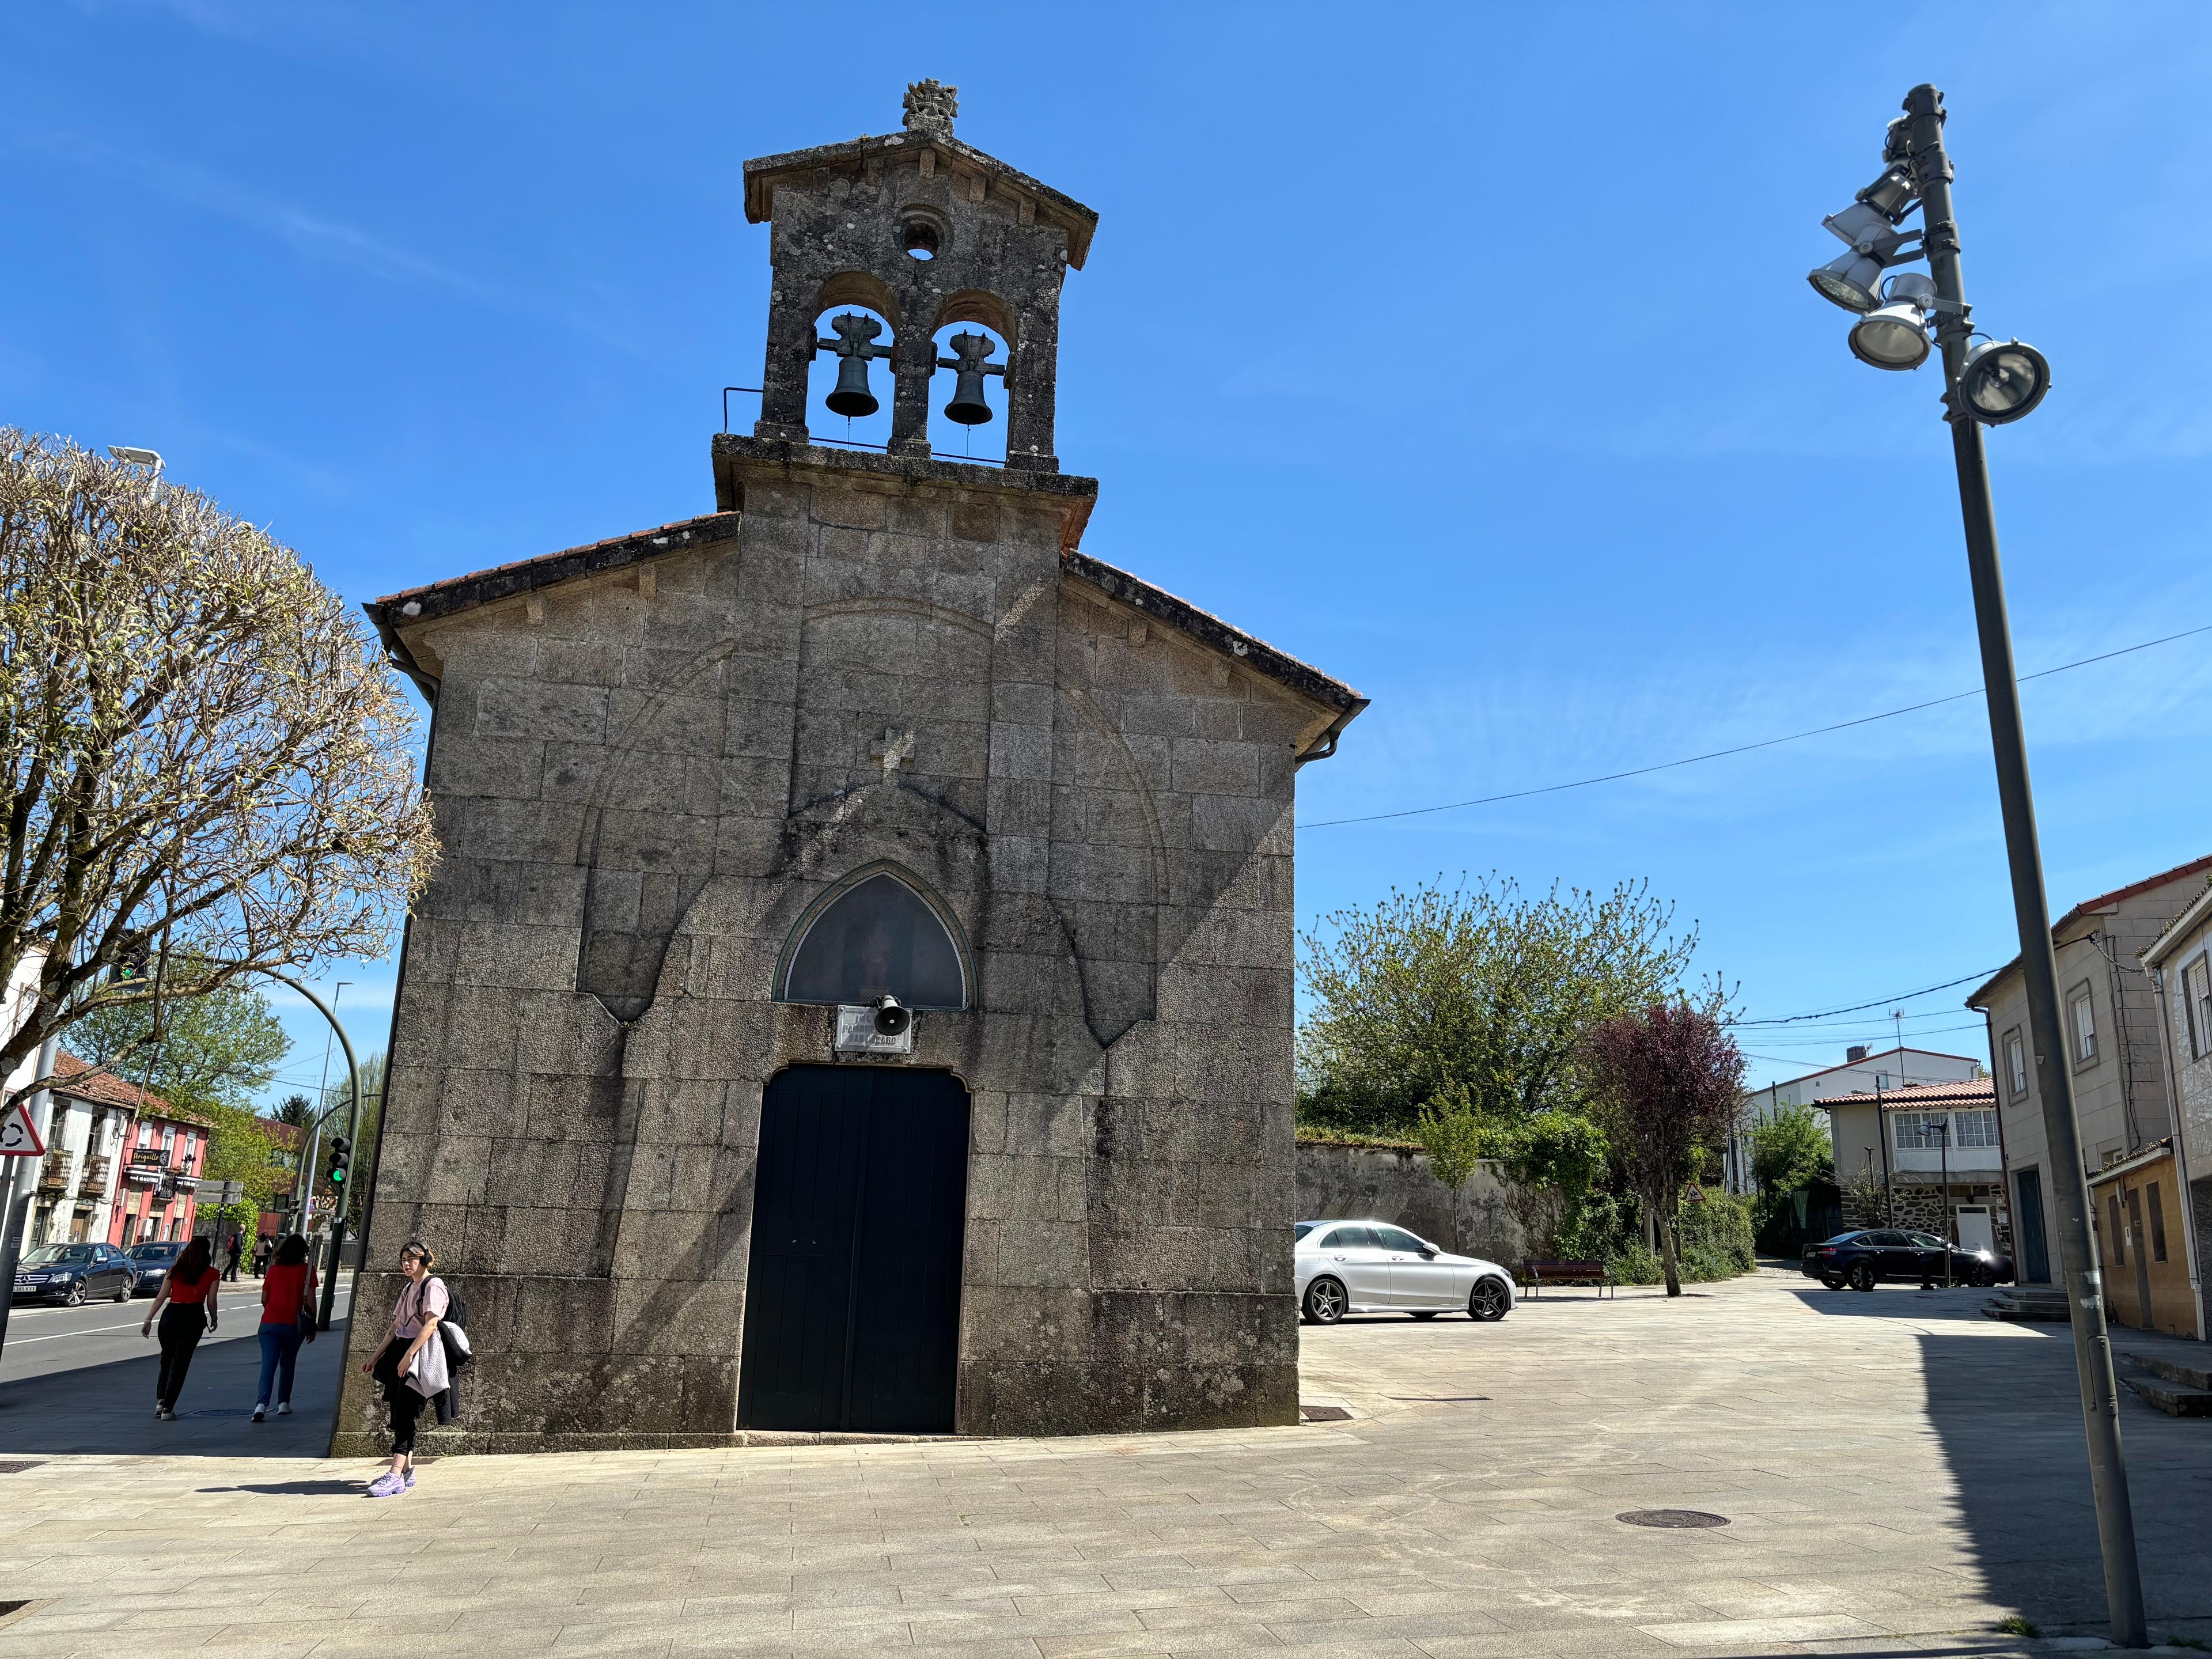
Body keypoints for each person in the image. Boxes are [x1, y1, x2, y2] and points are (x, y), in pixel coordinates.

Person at [360, 1239, 449, 1498]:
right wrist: (376, 1356)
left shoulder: (434, 1286)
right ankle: (406, 1471)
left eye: (411, 1259)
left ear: (423, 1260)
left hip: (420, 1355)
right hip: (401, 1352)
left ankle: (395, 1473)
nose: (406, 1265)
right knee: (399, 1410)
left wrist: (410, 1355)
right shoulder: (409, 1288)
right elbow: (395, 1327)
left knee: (407, 1411)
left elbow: (431, 1325)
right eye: (403, 1261)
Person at [140, 1236, 220, 1419]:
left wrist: (149, 1320)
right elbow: (212, 1301)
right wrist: (214, 1319)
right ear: (207, 1252)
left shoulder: (175, 1270)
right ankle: (168, 1408)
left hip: (171, 1316)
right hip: (193, 1317)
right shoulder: (213, 1274)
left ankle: (160, 1402)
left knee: (166, 1359)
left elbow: (161, 1297)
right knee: (181, 1363)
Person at [252, 1234, 319, 1422]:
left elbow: (264, 1298)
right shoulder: (307, 1271)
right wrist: (312, 1325)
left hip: (269, 1324)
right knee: (288, 1364)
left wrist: (274, 1311)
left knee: (268, 1365)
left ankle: (261, 1405)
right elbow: (311, 1300)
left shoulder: (274, 1270)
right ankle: (283, 1404)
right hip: (293, 1325)